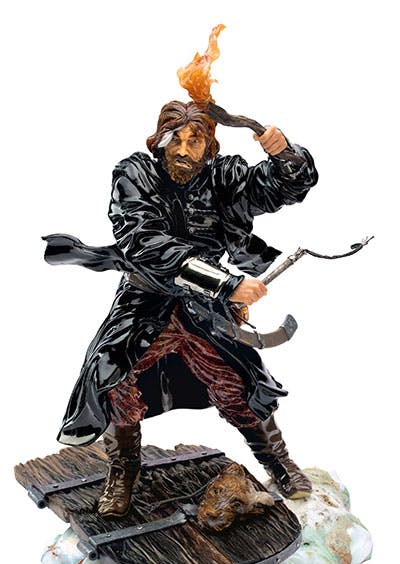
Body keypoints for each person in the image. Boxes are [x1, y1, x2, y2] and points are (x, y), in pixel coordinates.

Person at [43, 100, 318, 517]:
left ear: (209, 146)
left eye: (195, 140)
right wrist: (226, 284)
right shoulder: (135, 174)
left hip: (204, 306)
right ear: (160, 140)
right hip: (145, 298)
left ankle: (278, 462)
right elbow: (144, 242)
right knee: (111, 372)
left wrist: (284, 155)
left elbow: (282, 188)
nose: (184, 151)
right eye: (176, 140)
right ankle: (123, 470)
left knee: (243, 378)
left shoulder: (224, 176)